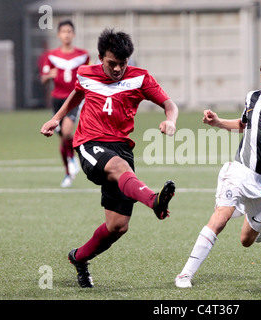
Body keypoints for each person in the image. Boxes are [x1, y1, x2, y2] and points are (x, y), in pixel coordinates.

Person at [40, 29, 179, 288]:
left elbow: (170, 105)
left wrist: (170, 121)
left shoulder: (140, 78)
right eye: (111, 63)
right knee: (119, 166)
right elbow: (77, 94)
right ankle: (154, 201)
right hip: (89, 144)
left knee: (117, 227)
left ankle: (78, 258)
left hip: (122, 148)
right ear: (100, 57)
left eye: (122, 64)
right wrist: (56, 119)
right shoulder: (85, 73)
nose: (117, 69)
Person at [174, 54, 261, 288]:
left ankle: (257, 221)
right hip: (239, 171)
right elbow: (244, 124)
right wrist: (217, 122)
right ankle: (185, 274)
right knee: (221, 217)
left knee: (246, 241)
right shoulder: (252, 97)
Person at [40, 20, 90, 188]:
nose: (66, 35)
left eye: (69, 31)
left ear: (73, 34)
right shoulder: (51, 55)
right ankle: (69, 169)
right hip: (57, 99)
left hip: (74, 99)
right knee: (63, 138)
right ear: (59, 35)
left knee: (67, 131)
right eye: (63, 32)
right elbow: (44, 78)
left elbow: (89, 74)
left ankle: (71, 162)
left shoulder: (83, 55)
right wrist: (49, 75)